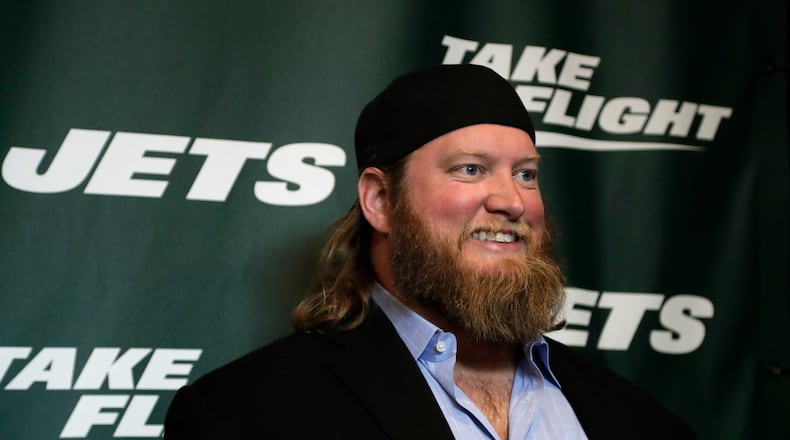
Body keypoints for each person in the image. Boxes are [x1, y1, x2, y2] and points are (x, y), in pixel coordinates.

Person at [164, 64, 696, 439]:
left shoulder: (639, 418)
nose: (512, 200)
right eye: (471, 169)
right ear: (380, 200)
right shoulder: (241, 415)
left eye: (527, 174)